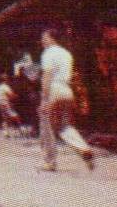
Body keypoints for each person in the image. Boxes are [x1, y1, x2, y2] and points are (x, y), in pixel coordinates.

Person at [38, 26, 95, 171]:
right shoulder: (66, 53)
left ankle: (49, 162)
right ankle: (83, 148)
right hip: (67, 90)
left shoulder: (48, 53)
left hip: (54, 89)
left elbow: (47, 75)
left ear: (51, 38)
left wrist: (44, 99)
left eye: (44, 38)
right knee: (64, 125)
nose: (42, 41)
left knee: (47, 126)